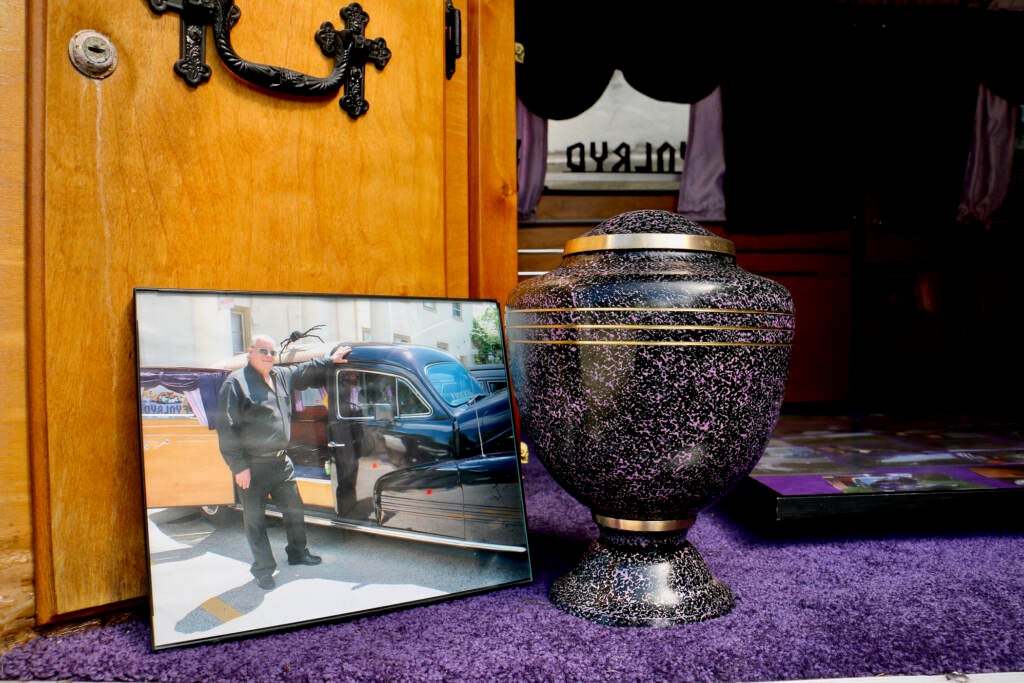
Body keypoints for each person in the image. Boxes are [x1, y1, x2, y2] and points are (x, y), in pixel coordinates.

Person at [215, 334, 351, 590]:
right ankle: (263, 569)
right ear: (251, 352)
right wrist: (238, 467)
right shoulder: (236, 384)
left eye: (272, 352)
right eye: (263, 351)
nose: (269, 356)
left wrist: (329, 360)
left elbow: (304, 369)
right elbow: (226, 429)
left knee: (294, 510)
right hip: (252, 467)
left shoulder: (280, 376)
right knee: (255, 521)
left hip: (281, 462)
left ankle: (298, 552)